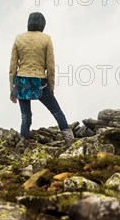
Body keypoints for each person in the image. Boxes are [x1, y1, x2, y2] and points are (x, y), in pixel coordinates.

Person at [9, 12, 74, 145]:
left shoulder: (18, 38)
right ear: (42, 24)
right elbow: (50, 67)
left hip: (21, 82)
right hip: (39, 81)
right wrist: (51, 87)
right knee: (56, 111)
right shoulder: (46, 39)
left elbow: (12, 67)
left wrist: (12, 89)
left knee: (25, 116)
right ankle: (69, 140)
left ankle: (23, 144)